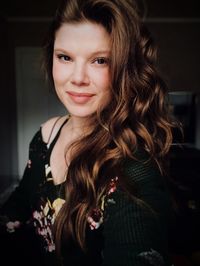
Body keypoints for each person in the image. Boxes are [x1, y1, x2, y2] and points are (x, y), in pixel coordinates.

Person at [0, 0, 176, 265]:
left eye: (100, 60)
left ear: (124, 70)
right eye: (65, 57)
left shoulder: (134, 167)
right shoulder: (46, 136)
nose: (78, 77)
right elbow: (21, 200)